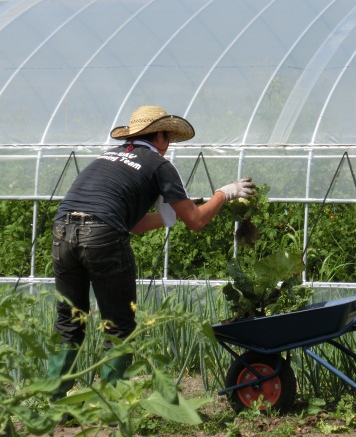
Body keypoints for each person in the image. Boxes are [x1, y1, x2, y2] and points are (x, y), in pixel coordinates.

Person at [47, 105, 255, 400]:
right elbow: (197, 221)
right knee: (119, 325)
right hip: (102, 234)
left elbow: (130, 223)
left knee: (70, 321)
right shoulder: (159, 165)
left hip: (62, 230)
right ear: (158, 136)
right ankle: (108, 403)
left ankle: (54, 400)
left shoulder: (105, 158)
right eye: (167, 137)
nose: (168, 145)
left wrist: (173, 216)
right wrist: (224, 193)